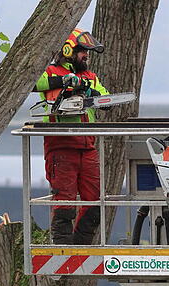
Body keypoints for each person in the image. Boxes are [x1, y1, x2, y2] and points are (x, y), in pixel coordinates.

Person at [33, 28, 109, 245]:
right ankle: (62, 249)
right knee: (64, 201)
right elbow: (32, 83)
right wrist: (63, 81)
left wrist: (90, 92)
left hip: (87, 145)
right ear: (68, 50)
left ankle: (81, 247)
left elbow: (105, 98)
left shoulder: (90, 77)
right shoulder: (49, 72)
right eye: (83, 51)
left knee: (95, 202)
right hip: (61, 145)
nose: (86, 56)